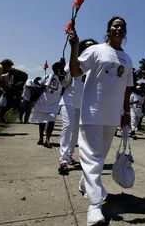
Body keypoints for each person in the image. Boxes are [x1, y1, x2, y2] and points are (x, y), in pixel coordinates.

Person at [69, 16, 133, 226]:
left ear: (125, 33)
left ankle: (84, 184)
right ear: (108, 29)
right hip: (92, 112)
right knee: (92, 158)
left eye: (122, 27)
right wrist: (75, 46)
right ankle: (95, 206)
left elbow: (127, 89)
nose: (118, 29)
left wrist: (125, 113)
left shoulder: (127, 58)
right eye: (115, 25)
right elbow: (76, 71)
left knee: (99, 156)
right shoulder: (95, 50)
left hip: (112, 115)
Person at [58, 39, 97, 175]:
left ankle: (69, 154)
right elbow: (65, 79)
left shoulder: (96, 65)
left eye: (92, 46)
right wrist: (61, 72)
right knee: (67, 127)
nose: (89, 48)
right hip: (68, 100)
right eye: (86, 46)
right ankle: (63, 160)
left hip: (84, 103)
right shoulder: (75, 60)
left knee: (76, 131)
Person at [32, 61, 65, 148]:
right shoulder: (46, 76)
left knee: (51, 120)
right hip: (44, 101)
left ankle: (47, 139)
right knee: (42, 121)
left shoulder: (64, 78)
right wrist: (37, 82)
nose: (57, 70)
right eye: (55, 68)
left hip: (55, 103)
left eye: (59, 68)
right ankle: (40, 138)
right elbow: (40, 84)